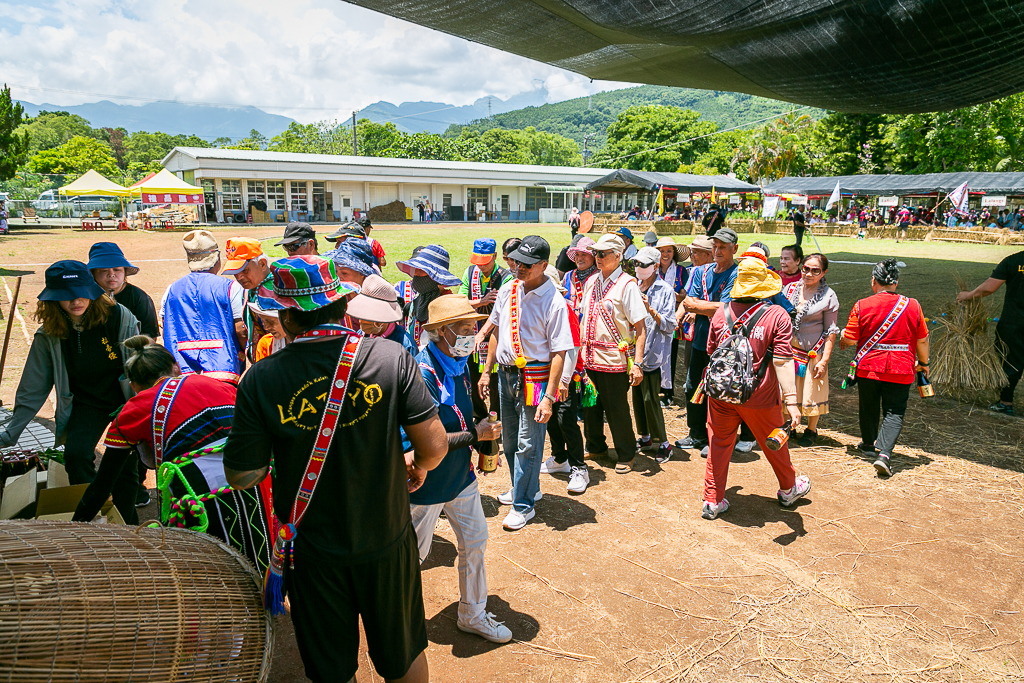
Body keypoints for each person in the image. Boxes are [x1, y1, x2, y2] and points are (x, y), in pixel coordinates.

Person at [223, 255, 448, 683]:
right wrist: (417, 466)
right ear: (343, 305)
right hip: (386, 536)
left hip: (312, 550)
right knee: (403, 655)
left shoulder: (261, 379)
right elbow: (435, 446)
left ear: (286, 315)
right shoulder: (389, 358)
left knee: (331, 669)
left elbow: (242, 475)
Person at [71, 336, 273, 570]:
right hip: (255, 480)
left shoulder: (135, 409)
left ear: (134, 385)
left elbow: (102, 484)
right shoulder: (220, 385)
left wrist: (74, 529)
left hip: (198, 498)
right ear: (175, 367)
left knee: (215, 569)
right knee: (259, 555)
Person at [406, 294, 512, 643]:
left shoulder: (458, 362)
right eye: (465, 329)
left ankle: (473, 613)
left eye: (474, 327)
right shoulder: (421, 374)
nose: (472, 334)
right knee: (411, 556)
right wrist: (475, 435)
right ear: (441, 332)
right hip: (425, 481)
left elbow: (463, 412)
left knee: (475, 541)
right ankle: (398, 618)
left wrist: (482, 431)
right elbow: (427, 442)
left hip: (459, 477)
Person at [0, 261, 140, 491]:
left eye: (81, 294)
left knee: (124, 465)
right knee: (75, 458)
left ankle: (128, 519)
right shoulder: (49, 333)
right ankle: (91, 513)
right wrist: (11, 432)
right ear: (53, 299)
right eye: (66, 296)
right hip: (85, 403)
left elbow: (140, 362)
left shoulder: (118, 316)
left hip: (123, 399)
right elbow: (33, 385)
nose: (75, 301)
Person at [701, 254, 810, 520]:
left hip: (721, 394)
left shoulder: (720, 312)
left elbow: (712, 351)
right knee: (774, 442)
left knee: (718, 443)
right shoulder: (777, 315)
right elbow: (784, 361)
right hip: (760, 395)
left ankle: (712, 500)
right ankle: (788, 489)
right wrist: (792, 402)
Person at [481, 236, 572, 530]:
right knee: (509, 440)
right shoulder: (509, 289)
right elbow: (496, 330)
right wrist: (486, 371)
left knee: (529, 443)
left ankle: (523, 505)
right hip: (506, 374)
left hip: (535, 377)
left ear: (544, 265)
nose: (518, 267)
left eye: (527, 264)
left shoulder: (554, 302)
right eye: (517, 260)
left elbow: (560, 352)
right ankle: (526, 488)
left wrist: (549, 396)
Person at [840, 259, 929, 477]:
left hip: (869, 367)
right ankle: (885, 455)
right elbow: (923, 341)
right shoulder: (913, 305)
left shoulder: (862, 304)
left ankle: (868, 445)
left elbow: (851, 339)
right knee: (894, 411)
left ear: (874, 281)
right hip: (901, 368)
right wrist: (924, 364)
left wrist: (842, 335)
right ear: (896, 283)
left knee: (868, 405)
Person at [579, 234, 647, 474]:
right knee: (591, 406)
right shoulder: (591, 282)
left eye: (602, 254)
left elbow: (640, 328)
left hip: (614, 360)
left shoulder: (628, 285)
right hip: (589, 358)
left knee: (616, 408)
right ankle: (596, 445)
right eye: (595, 253)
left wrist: (637, 363)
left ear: (618, 256)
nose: (596, 258)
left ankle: (626, 452)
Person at [675, 228, 741, 455]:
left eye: (723, 247)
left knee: (719, 390)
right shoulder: (703, 272)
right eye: (715, 246)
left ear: (735, 249)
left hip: (724, 345)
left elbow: (725, 308)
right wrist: (705, 307)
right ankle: (696, 434)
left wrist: (697, 307)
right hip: (700, 340)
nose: (718, 250)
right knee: (693, 386)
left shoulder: (736, 274)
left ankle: (718, 438)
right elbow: (691, 302)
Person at [161, 230, 245, 383]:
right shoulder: (230, 288)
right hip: (223, 372)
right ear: (218, 258)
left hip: (182, 375)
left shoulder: (171, 290)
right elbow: (241, 330)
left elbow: (166, 328)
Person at [539, 267, 589, 495]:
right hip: (546, 375)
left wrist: (564, 381)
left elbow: (572, 347)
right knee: (551, 420)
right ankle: (559, 458)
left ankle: (579, 467)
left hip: (564, 376)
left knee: (566, 420)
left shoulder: (564, 307)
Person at [957, 250, 1024, 415]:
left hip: (1014, 322)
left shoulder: (1013, 261)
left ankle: (1005, 402)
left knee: (1010, 362)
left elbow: (988, 288)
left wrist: (968, 295)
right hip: (1014, 323)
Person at [783, 253, 839, 447]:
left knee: (812, 392)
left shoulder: (828, 296)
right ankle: (789, 425)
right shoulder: (789, 289)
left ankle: (811, 429)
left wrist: (824, 361)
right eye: (806, 269)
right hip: (789, 350)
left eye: (815, 270)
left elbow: (831, 331)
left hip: (814, 353)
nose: (808, 273)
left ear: (824, 272)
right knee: (788, 389)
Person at [631, 247, 677, 463]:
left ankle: (665, 443)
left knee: (651, 399)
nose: (638, 268)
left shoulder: (665, 290)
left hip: (654, 354)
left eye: (643, 265)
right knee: (638, 398)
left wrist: (651, 311)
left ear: (655, 267)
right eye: (636, 264)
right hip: (635, 354)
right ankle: (646, 437)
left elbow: (670, 325)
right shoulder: (634, 285)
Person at [459, 238, 509, 418]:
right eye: (478, 262)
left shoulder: (506, 278)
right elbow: (461, 303)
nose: (481, 267)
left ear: (495, 256)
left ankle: (497, 418)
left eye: (485, 263)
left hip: (495, 338)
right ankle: (479, 416)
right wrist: (481, 302)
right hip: (471, 338)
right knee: (471, 380)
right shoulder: (470, 272)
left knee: (495, 384)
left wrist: (484, 332)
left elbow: (503, 313)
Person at [88, 242, 158, 338]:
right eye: (104, 270)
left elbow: (149, 337)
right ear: (93, 273)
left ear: (124, 271)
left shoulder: (140, 298)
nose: (111, 274)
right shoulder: (85, 298)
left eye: (117, 270)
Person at [397, 245, 462, 347]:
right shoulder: (419, 300)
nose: (417, 274)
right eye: (416, 269)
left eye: (422, 270)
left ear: (435, 277)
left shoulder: (447, 304)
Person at [222, 237, 272, 363]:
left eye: (244, 270)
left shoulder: (275, 292)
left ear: (262, 264)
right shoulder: (249, 290)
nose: (239, 277)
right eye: (235, 272)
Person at [654, 236, 690, 406]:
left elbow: (685, 295)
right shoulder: (652, 269)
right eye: (661, 251)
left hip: (671, 318)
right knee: (653, 352)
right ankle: (655, 388)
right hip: (652, 317)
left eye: (669, 251)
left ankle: (668, 391)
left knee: (670, 354)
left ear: (674, 253)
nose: (665, 254)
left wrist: (675, 296)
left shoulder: (682, 272)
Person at [348, 274, 418, 356]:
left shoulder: (405, 346)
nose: (360, 320)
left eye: (367, 315)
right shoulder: (360, 335)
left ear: (381, 320)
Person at [563, 235, 597, 314]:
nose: (579, 258)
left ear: (593, 257)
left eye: (584, 254)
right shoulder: (568, 276)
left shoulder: (599, 277)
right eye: (577, 254)